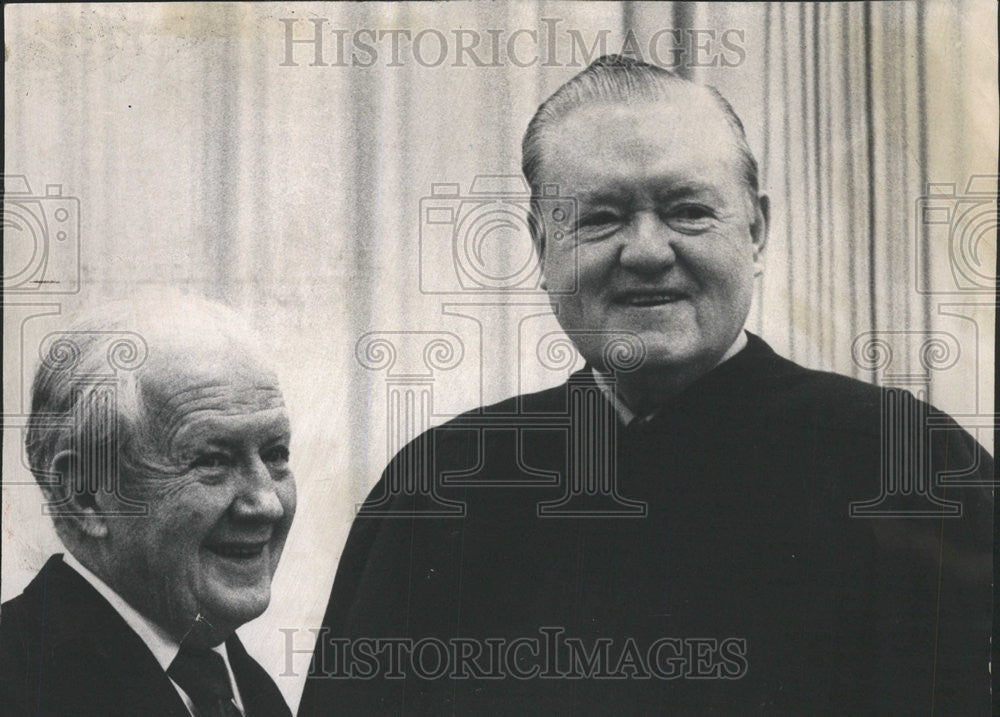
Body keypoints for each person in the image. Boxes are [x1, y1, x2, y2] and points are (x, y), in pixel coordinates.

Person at [299, 56, 992, 714]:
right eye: (601, 218)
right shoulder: (442, 486)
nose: (648, 251)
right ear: (542, 248)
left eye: (687, 209)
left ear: (756, 229)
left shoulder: (906, 465)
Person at [1, 294, 296, 716]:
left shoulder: (248, 692)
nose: (266, 503)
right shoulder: (18, 686)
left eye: (276, 454)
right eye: (212, 460)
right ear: (85, 494)